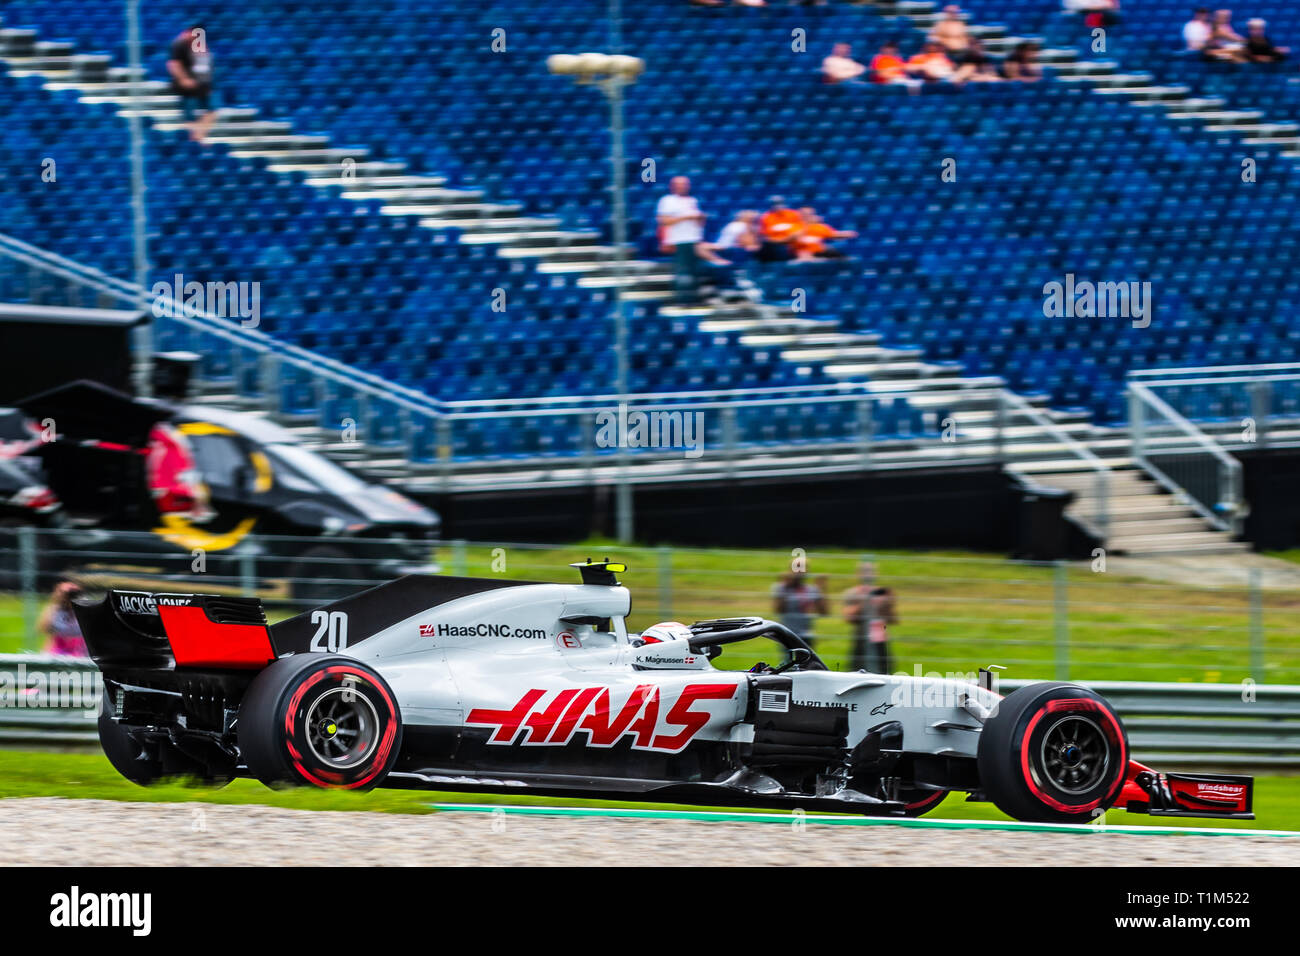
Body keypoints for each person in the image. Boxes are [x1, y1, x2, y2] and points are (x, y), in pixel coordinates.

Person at [656, 176, 708, 304]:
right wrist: (686, 217)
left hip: (694, 239)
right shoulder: (667, 200)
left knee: (695, 272)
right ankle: (683, 299)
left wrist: (700, 218)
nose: (683, 186)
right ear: (673, 186)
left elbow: (699, 224)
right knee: (683, 272)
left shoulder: (692, 200)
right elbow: (664, 221)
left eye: (685, 184)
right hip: (679, 240)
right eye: (680, 184)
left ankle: (695, 298)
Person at [841, 563, 899, 673]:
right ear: (858, 574)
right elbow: (848, 617)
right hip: (860, 636)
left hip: (880, 636)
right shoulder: (852, 593)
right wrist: (866, 599)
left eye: (871, 571)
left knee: (884, 670)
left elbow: (893, 619)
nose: (868, 575)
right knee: (857, 670)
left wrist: (888, 603)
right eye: (865, 572)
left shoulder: (882, 592)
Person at [167, 22, 219, 143]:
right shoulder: (179, 43)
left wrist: (208, 84)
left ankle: (198, 138)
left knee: (212, 111)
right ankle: (195, 141)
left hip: (201, 85)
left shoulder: (200, 45)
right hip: (187, 87)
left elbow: (205, 66)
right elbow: (174, 64)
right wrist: (183, 79)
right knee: (189, 114)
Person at [771, 571, 828, 649]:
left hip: (807, 634)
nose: (798, 573)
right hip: (787, 634)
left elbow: (824, 612)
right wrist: (785, 589)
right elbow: (778, 610)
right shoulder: (781, 588)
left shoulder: (812, 589)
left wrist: (821, 590)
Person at [40, 581, 88, 658]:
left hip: (79, 651)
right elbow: (44, 628)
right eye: (68, 595)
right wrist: (56, 600)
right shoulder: (55, 610)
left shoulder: (83, 610)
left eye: (74, 594)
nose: (70, 597)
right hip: (57, 650)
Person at [793, 208, 857, 260]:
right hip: (801, 254)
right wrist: (807, 225)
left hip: (819, 253)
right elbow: (792, 239)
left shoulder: (819, 227)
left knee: (848, 259)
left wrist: (848, 234)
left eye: (810, 214)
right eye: (805, 214)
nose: (808, 216)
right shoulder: (794, 226)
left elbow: (833, 235)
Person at [758, 197, 804, 263]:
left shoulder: (793, 214)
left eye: (780, 203)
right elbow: (766, 237)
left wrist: (786, 239)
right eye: (775, 204)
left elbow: (799, 232)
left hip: (792, 242)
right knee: (766, 249)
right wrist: (782, 240)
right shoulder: (766, 217)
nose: (778, 206)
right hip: (775, 244)